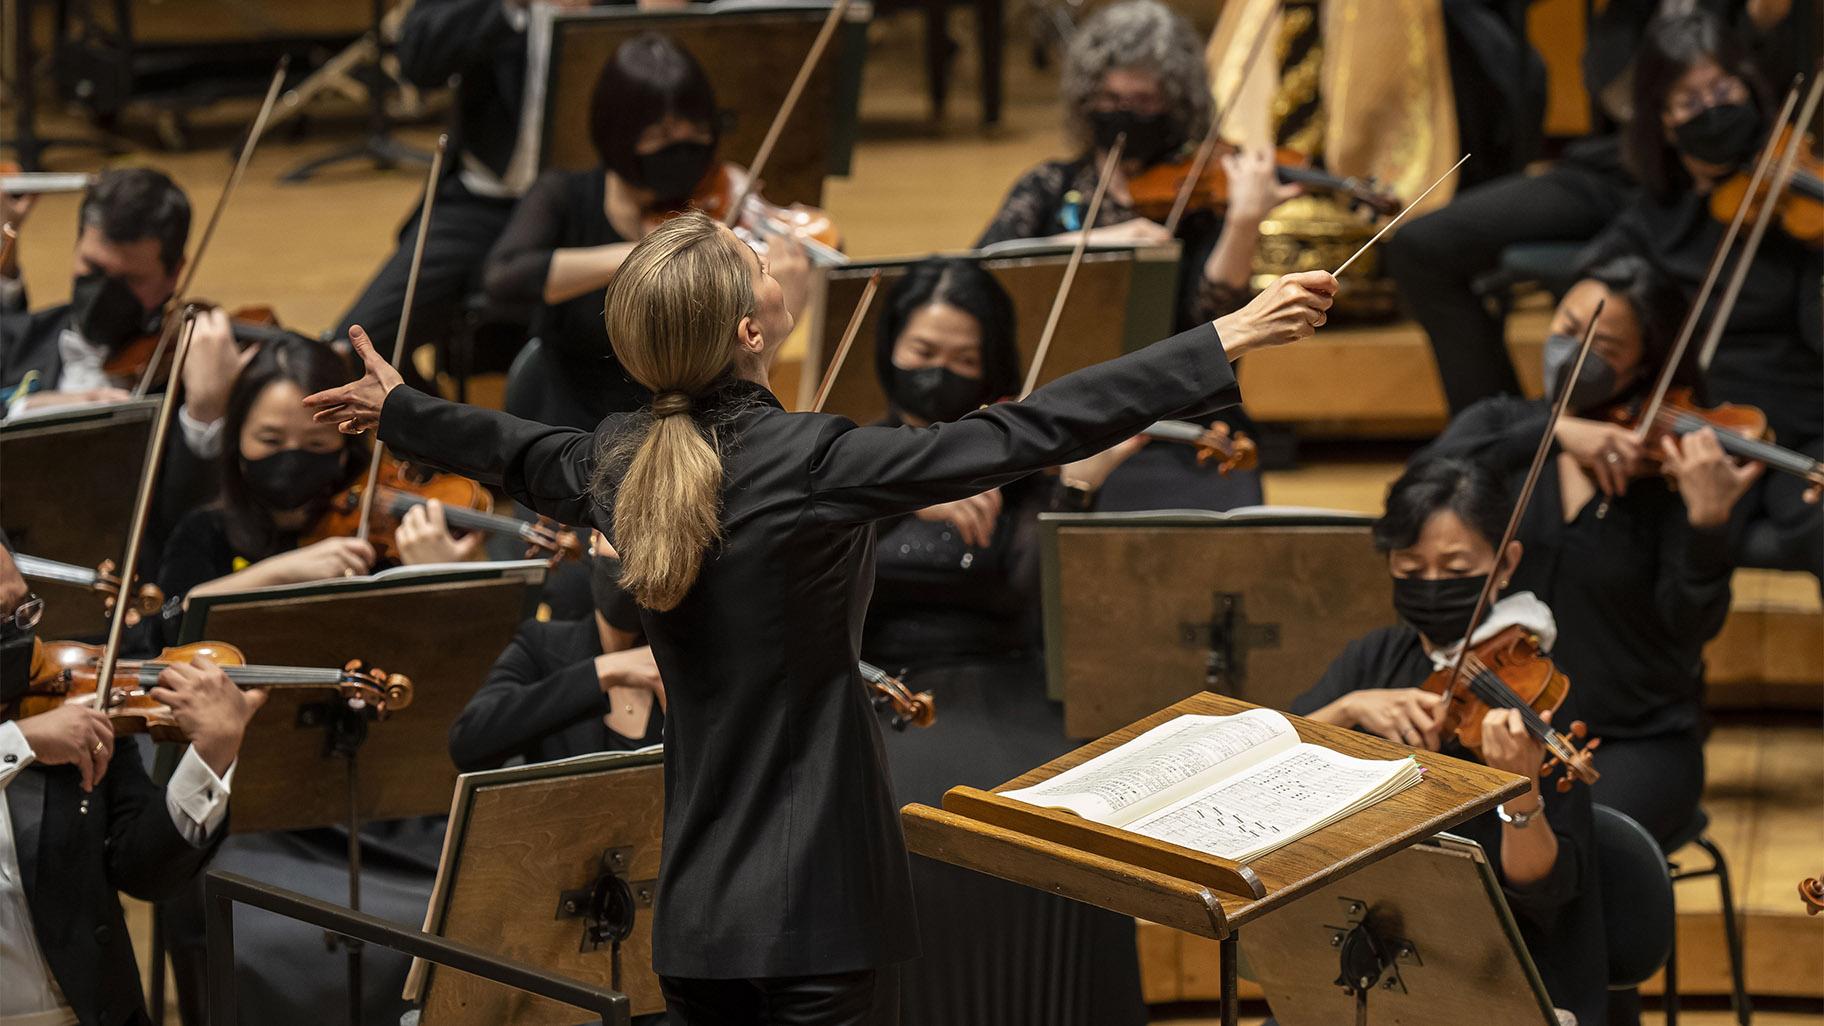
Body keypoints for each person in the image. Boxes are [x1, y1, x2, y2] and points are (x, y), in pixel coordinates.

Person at [305, 210, 1336, 1023]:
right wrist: (1225, 337)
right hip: (823, 911)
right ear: (750, 331)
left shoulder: (614, 460)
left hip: (697, 918)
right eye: (755, 257)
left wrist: (402, 408)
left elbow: (514, 447)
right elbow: (1034, 428)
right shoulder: (811, 462)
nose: (775, 256)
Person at [862, 258, 1150, 1025]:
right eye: (923, 355)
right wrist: (903, 496)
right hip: (877, 691)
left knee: (1075, 821)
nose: (940, 377)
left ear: (994, 369)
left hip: (1006, 682)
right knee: (888, 820)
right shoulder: (850, 462)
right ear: (889, 348)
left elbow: (1038, 601)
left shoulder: (1020, 459)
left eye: (964, 361)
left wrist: (1074, 487)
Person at [1416, 253, 1761, 847]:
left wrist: (1708, 525)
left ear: (1645, 364)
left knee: (1568, 852)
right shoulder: (1508, 429)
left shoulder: (1677, 473)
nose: (1571, 351)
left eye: (1602, 344)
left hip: (1635, 739)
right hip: (1498, 719)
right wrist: (1554, 432)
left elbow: (1689, 627)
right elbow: (1419, 486)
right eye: (1566, 327)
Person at [1290, 457, 1607, 1026]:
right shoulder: (1376, 658)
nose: (1431, 586)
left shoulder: (1539, 694)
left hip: (1503, 964)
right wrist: (1347, 707)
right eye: (1410, 567)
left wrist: (1522, 794)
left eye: (1455, 567)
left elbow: (1547, 895)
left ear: (1504, 563)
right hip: (1372, 947)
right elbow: (1270, 764)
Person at [976, 0, 1293, 503]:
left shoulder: (1200, 204)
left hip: (1173, 413)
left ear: (1177, 106)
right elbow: (981, 272)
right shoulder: (1049, 187)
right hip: (1051, 406)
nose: (1124, 115)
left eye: (1143, 103)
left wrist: (1243, 222)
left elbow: (1213, 325)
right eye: (1110, 98)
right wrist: (1095, 242)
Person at [1589, 10, 1821, 584]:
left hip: (1808, 419)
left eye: (1725, 89)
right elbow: (1593, 286)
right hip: (1704, 429)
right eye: (1690, 101)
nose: (1713, 109)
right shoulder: (1654, 221)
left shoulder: (1798, 220)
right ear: (1663, 121)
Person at [483, 33, 812, 429]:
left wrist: (768, 339)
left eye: (696, 134)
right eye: (661, 136)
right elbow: (504, 278)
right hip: (576, 431)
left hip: (689, 436)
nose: (683, 150)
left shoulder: (717, 196)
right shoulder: (565, 197)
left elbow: (736, 401)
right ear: (618, 134)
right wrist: (642, 252)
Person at [0, 533, 264, 1026]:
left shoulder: (74, 711)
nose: (21, 638)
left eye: (24, 610)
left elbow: (144, 871)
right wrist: (17, 741)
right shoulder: (39, 733)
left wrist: (211, 756)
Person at [155, 335, 479, 635]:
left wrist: (443, 584)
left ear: (343, 450)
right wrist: (280, 573)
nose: (293, 458)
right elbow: (165, 627)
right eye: (270, 439)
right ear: (236, 438)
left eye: (316, 444)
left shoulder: (381, 542)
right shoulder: (206, 530)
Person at [0, 169, 242, 439]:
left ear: (174, 275)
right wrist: (23, 410)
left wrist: (205, 419)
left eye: (131, 279)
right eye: (93, 267)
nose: (104, 292)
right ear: (77, 245)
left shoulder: (201, 377)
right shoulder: (13, 339)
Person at [449, 540, 665, 772]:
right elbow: (468, 743)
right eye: (616, 529)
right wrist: (602, 671)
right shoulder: (542, 643)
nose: (629, 550)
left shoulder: (686, 657)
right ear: (594, 537)